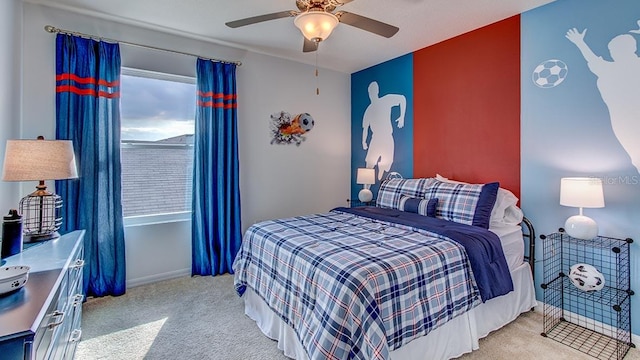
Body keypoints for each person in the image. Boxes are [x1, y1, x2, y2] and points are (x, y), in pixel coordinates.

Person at [566, 26, 640, 173]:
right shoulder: (610, 69)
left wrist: (580, 43)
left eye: (616, 50)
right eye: (612, 51)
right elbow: (593, 60)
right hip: (620, 118)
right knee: (635, 154)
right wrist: (580, 43)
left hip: (630, 116)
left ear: (631, 48)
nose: (612, 54)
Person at [361, 81, 406, 180]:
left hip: (387, 136)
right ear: (369, 93)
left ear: (377, 91)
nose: (372, 94)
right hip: (376, 138)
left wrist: (402, 117)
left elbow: (402, 98)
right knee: (369, 165)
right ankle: (366, 189)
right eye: (370, 92)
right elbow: (365, 128)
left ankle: (381, 169)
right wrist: (363, 142)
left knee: (387, 162)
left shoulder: (385, 100)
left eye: (373, 91)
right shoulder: (369, 110)